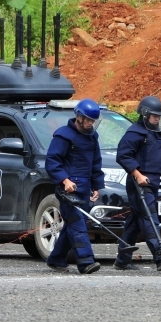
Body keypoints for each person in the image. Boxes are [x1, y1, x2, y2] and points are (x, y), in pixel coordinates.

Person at [114, 96, 161, 271]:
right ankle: (160, 255)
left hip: (154, 182)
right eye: (154, 116)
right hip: (139, 183)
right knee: (149, 217)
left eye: (159, 116)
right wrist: (137, 174)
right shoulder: (134, 133)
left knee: (136, 221)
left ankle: (122, 259)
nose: (157, 119)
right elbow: (123, 155)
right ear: (144, 115)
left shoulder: (160, 135)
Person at [43, 99, 104, 274]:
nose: (91, 124)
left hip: (85, 187)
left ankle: (56, 258)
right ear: (79, 117)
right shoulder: (63, 135)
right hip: (68, 189)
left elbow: (95, 163)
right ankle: (86, 262)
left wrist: (96, 186)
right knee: (77, 224)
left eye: (93, 120)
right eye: (88, 120)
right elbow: (52, 161)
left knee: (73, 225)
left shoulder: (92, 137)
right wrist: (65, 180)